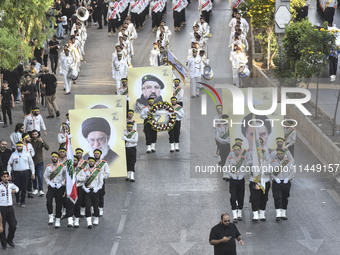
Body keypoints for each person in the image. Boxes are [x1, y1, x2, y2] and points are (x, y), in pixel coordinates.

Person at [7, 142, 35, 207]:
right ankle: (17, 198)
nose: (19, 147)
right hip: (16, 173)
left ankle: (22, 201)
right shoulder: (13, 154)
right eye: (18, 146)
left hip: (25, 172)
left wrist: (33, 173)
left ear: (22, 147)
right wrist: (9, 174)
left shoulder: (27, 154)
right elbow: (9, 164)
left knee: (24, 187)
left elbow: (31, 164)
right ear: (16, 147)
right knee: (17, 186)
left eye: (20, 146)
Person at [270, 148, 295, 221]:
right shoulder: (273, 162)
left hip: (285, 182)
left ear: (284, 154)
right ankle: (278, 214)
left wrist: (288, 178)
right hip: (277, 182)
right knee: (277, 197)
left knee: (285, 197)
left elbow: (292, 172)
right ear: (276, 154)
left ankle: (283, 213)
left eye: (281, 154)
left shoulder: (288, 162)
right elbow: (270, 172)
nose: (279, 155)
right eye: (278, 154)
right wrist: (274, 178)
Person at [225, 144, 247, 223]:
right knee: (233, 197)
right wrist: (231, 175)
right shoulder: (230, 158)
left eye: (238, 149)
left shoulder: (243, 159)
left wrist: (242, 175)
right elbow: (226, 167)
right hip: (233, 180)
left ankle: (239, 213)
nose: (237, 151)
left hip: (241, 180)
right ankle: (234, 215)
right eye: (235, 150)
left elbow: (247, 168)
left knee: (241, 197)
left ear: (240, 150)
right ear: (233, 151)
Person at [80, 157, 104, 228]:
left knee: (96, 206)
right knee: (88, 206)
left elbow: (101, 182)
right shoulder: (85, 171)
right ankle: (89, 221)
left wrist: (97, 188)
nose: (91, 163)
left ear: (94, 163)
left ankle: (96, 218)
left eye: (92, 162)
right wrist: (84, 188)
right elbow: (82, 182)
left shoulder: (98, 171)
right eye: (90, 162)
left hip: (95, 191)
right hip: (87, 191)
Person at [44, 152, 66, 228]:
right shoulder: (48, 167)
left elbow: (67, 177)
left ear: (58, 158)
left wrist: (62, 183)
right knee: (49, 201)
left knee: (59, 204)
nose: (54, 158)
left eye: (55, 157)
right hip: (51, 187)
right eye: (53, 157)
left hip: (60, 187)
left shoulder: (62, 167)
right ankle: (51, 216)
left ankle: (57, 219)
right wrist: (49, 183)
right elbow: (46, 176)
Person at [0, 171, 19, 250]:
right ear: (1, 178)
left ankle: (9, 239)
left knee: (13, 225)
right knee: (2, 226)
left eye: (7, 176)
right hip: (2, 207)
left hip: (10, 207)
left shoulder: (11, 184)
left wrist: (14, 191)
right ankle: (4, 243)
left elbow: (17, 188)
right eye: (4, 176)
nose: (6, 178)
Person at [31, 130, 49, 197]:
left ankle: (41, 189)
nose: (34, 135)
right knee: (34, 176)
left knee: (40, 175)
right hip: (32, 161)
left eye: (35, 134)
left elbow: (47, 148)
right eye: (33, 134)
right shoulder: (30, 141)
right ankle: (35, 188)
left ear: (38, 134)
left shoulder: (41, 140)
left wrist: (42, 142)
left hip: (39, 161)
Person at [93, 149, 110, 216]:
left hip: (100, 182)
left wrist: (101, 178)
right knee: (93, 196)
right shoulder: (91, 162)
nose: (96, 155)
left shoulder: (104, 163)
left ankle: (101, 209)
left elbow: (107, 173)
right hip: (93, 182)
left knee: (100, 196)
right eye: (95, 153)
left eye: (98, 153)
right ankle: (94, 209)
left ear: (100, 154)